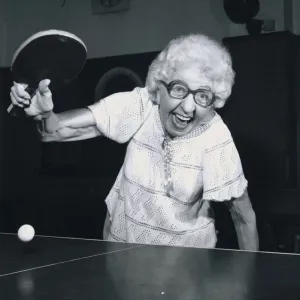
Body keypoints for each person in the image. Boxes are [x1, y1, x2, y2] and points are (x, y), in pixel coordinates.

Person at [10, 33, 259, 250]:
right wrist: (45, 116)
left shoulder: (216, 137)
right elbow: (52, 131)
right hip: (122, 256)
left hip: (188, 266)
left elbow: (244, 218)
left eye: (203, 95)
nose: (188, 107)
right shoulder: (142, 106)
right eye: (179, 89)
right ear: (159, 86)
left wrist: (249, 282)